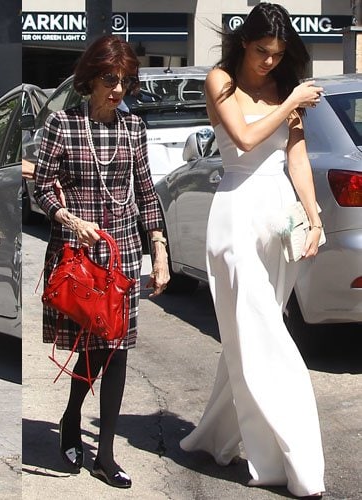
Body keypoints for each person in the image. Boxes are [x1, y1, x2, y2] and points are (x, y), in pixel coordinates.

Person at [178, 3, 325, 497]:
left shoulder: (285, 88)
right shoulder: (220, 80)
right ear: (244, 42)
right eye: (263, 51)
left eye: (279, 54)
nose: (269, 61)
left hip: (279, 215)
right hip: (236, 215)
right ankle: (295, 464)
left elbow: (296, 156)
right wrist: (291, 105)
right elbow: (242, 138)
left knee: (250, 338)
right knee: (269, 341)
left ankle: (213, 435)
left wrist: (315, 216)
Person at [34, 35, 170, 489]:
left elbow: (146, 191)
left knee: (117, 349)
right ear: (90, 76)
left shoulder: (134, 130)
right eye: (110, 78)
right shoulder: (62, 124)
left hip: (121, 255)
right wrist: (69, 219)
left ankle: (105, 454)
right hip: (77, 256)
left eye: (126, 81)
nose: (117, 89)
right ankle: (72, 419)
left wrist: (160, 249)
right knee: (89, 349)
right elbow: (42, 186)